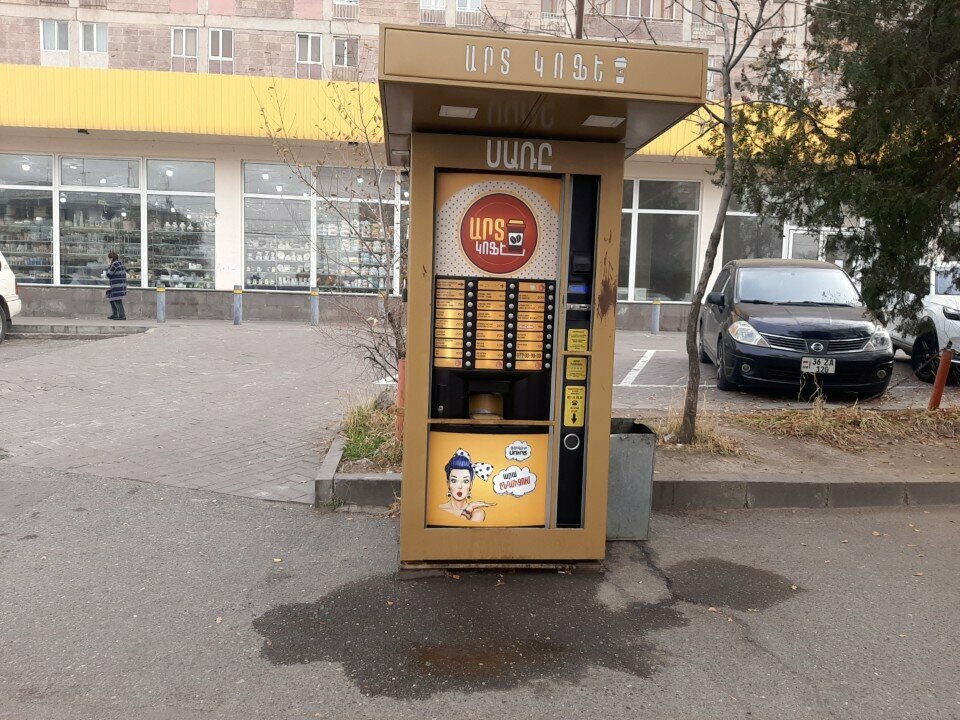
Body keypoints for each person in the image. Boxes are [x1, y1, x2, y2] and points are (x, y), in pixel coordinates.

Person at [438, 451, 495, 522]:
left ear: (470, 485)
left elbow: (462, 532)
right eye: (454, 480)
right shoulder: (438, 510)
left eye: (465, 481)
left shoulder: (478, 513)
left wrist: (470, 507)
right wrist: (469, 508)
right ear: (448, 484)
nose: (460, 486)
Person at [105, 251, 127, 320]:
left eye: (109, 258)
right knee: (111, 298)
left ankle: (122, 316)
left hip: (117, 285)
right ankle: (115, 314)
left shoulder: (115, 264)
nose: (108, 260)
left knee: (117, 300)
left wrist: (109, 266)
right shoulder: (120, 263)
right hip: (121, 285)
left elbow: (109, 274)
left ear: (111, 259)